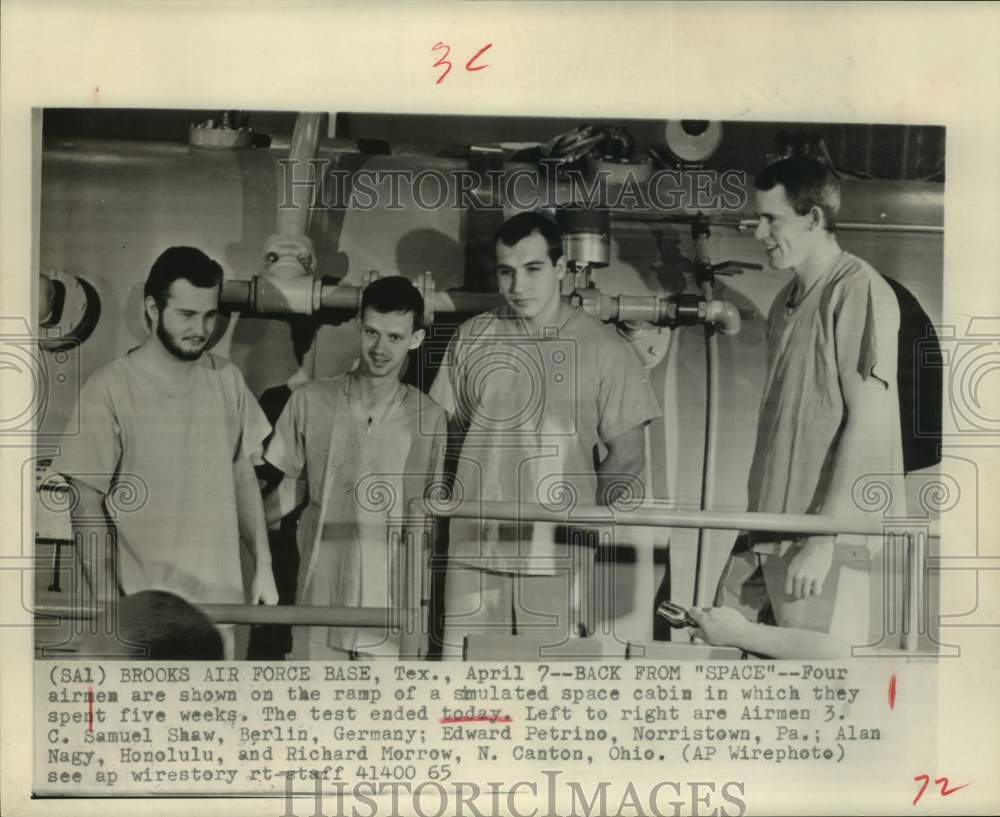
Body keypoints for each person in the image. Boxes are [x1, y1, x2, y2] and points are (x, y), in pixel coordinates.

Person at [430, 211, 661, 658]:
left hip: (557, 560)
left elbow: (628, 456)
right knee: (465, 689)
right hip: (472, 552)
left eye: (533, 269)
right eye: (506, 271)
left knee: (550, 691)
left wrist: (582, 530)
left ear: (560, 268)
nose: (518, 286)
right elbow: (446, 440)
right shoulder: (472, 338)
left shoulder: (605, 349)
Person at [714, 155, 906, 647]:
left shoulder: (856, 288)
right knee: (719, 643)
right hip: (768, 529)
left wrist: (824, 538)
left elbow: (869, 423)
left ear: (814, 218)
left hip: (821, 538)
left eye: (771, 219)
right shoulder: (787, 300)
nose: (759, 232)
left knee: (809, 684)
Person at [55, 246, 279, 659]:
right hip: (146, 614)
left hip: (221, 607)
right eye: (187, 315)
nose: (202, 329)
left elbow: (243, 478)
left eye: (210, 315)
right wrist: (110, 611)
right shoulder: (110, 389)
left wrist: (263, 566)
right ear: (152, 309)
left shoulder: (226, 380)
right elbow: (85, 506)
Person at [264, 276, 446, 660]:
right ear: (359, 327)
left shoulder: (429, 418)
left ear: (415, 339)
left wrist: (421, 610)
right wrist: (229, 525)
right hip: (319, 595)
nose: (380, 348)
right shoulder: (311, 401)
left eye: (395, 337)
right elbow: (291, 491)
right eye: (371, 333)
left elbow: (428, 522)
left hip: (392, 602)